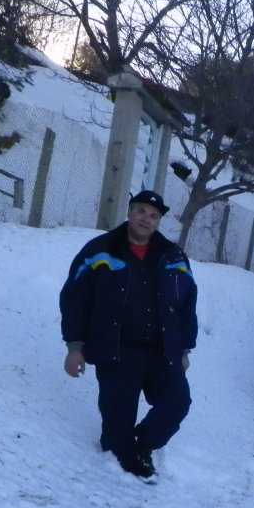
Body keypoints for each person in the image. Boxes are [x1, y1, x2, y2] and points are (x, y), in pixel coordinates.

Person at [59, 190, 198, 481]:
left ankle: (144, 444)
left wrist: (184, 349)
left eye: (153, 215)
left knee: (177, 402)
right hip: (117, 350)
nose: (146, 219)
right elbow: (74, 299)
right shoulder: (100, 250)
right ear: (130, 212)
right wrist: (75, 347)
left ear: (159, 221)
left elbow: (187, 305)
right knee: (114, 439)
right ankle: (122, 450)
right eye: (141, 211)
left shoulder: (174, 256)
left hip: (162, 350)